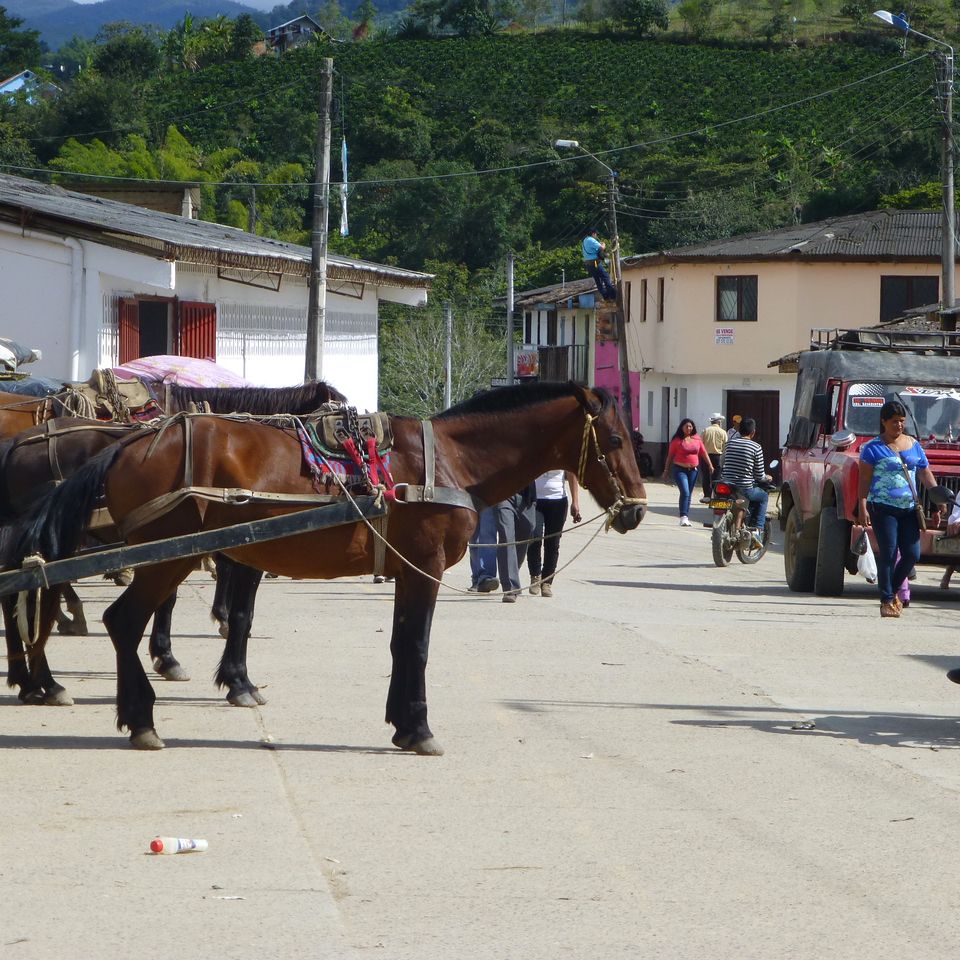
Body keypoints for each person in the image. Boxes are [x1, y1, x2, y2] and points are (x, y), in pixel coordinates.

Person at [859, 399, 939, 618]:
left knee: (912, 553)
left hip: (909, 508)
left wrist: (937, 497)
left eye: (902, 421)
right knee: (889, 552)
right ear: (884, 422)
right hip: (882, 508)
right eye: (894, 422)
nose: (899, 426)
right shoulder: (872, 449)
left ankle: (891, 589)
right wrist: (862, 505)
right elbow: (864, 480)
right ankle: (886, 600)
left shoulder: (913, 445)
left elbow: (924, 472)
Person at [527, 470, 582, 598]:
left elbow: (571, 474)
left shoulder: (563, 452)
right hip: (535, 500)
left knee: (553, 543)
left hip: (558, 500)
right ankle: (535, 575)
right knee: (534, 537)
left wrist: (575, 501)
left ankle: (547, 582)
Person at [718, 417, 772, 548]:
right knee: (763, 496)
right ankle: (757, 530)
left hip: (726, 485)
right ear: (753, 432)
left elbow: (721, 463)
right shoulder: (756, 447)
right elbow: (759, 475)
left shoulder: (729, 444)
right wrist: (767, 478)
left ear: (739, 430)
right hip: (745, 487)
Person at [662, 418, 712, 527]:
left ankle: (686, 517)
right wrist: (666, 470)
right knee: (685, 492)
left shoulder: (697, 439)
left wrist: (710, 465)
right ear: (682, 428)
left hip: (693, 470)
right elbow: (670, 456)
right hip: (680, 469)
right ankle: (683, 516)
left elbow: (703, 453)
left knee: (688, 493)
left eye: (690, 426)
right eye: (686, 426)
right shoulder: (677, 440)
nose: (689, 428)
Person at [496, 482, 538, 604]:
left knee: (528, 532)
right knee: (506, 537)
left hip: (527, 496)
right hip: (502, 494)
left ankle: (511, 569)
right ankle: (510, 588)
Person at [468, 507, 500, 593]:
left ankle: (486, 577)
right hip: (469, 497)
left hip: (489, 499)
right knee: (474, 539)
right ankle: (477, 578)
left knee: (488, 536)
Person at [581, 228, 617, 302]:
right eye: (596, 234)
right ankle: (613, 295)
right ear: (593, 233)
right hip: (595, 263)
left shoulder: (585, 240)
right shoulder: (591, 240)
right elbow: (602, 247)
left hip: (588, 264)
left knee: (598, 281)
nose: (596, 236)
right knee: (605, 277)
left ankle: (606, 297)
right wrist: (603, 244)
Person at [699, 413, 728, 501]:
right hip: (717, 457)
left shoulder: (705, 430)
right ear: (719, 422)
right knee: (717, 477)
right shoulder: (723, 432)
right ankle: (716, 496)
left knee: (706, 476)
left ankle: (707, 496)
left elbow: (700, 444)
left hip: (705, 457)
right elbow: (725, 446)